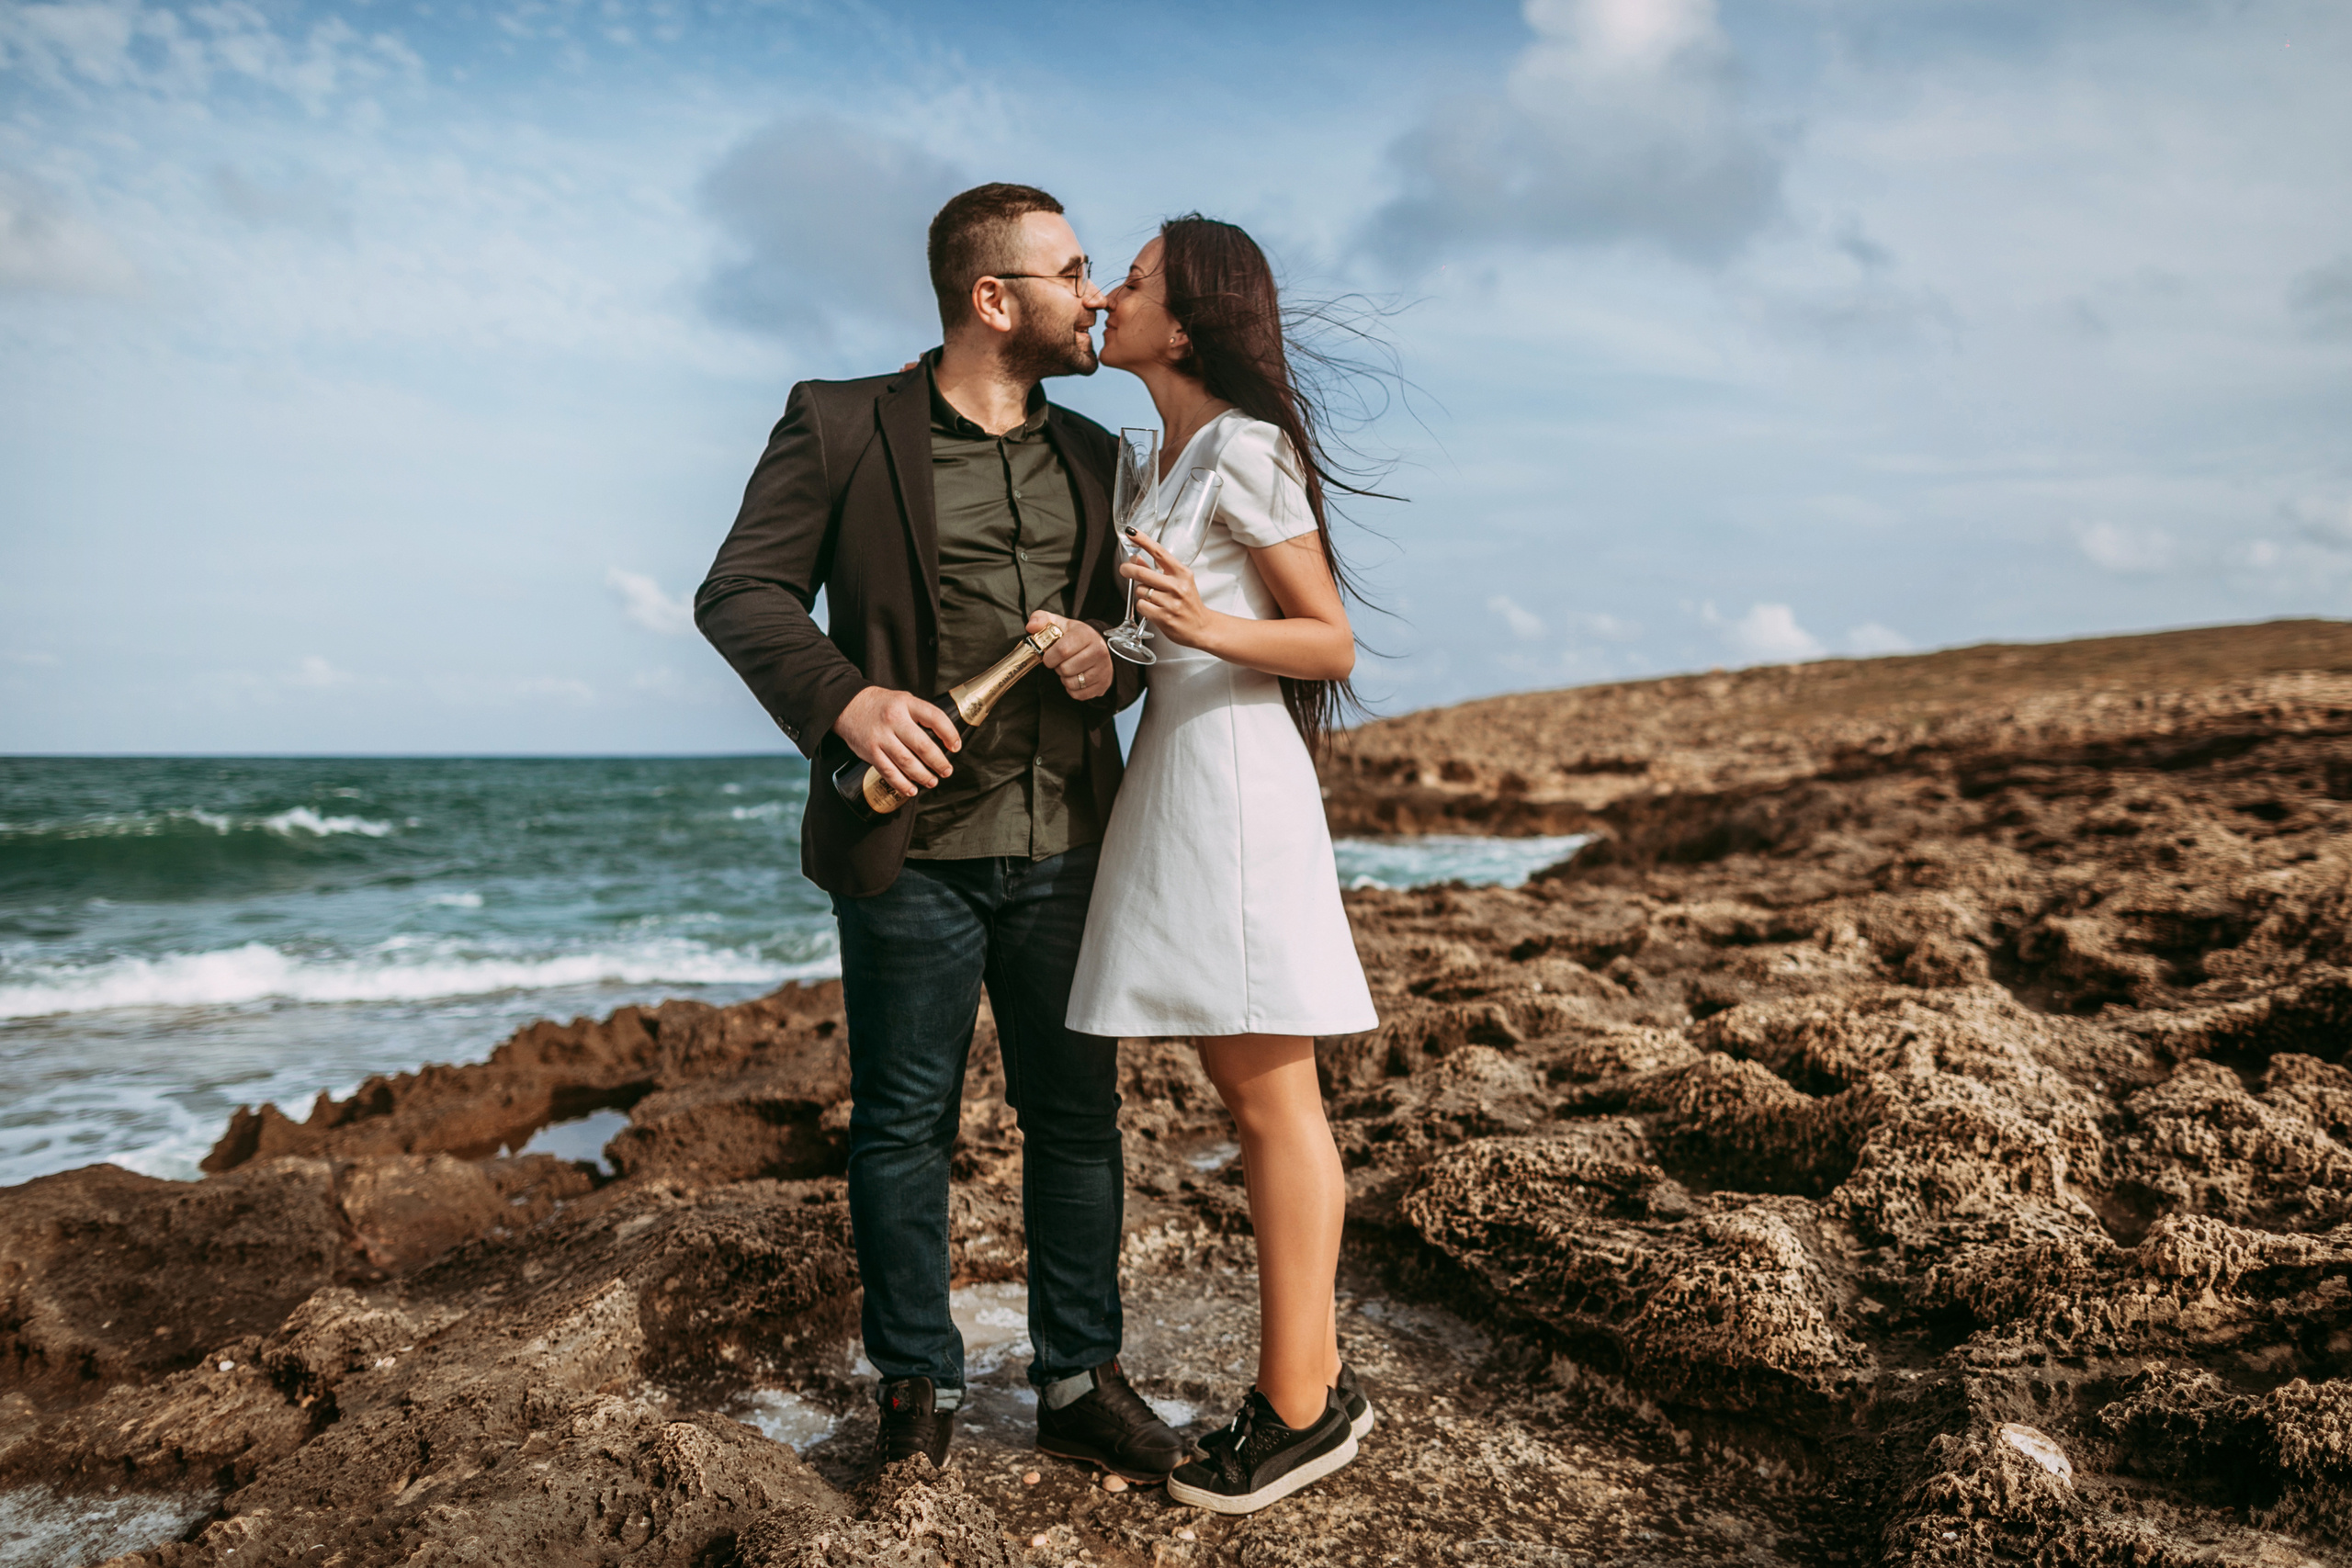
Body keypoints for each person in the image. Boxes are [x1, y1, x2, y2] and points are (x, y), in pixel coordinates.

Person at [695, 183, 1186, 1484]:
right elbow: (738, 592)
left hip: (1071, 842)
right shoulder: (841, 421)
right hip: (906, 855)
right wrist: (846, 702)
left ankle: (1081, 1377)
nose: (1094, 293)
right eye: (1072, 269)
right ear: (992, 297)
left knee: (1076, 1120)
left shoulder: (1098, 455)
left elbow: (1132, 648)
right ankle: (916, 1381)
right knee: (901, 1128)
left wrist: (1109, 666)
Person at [1064, 215, 1381, 1514]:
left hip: (1236, 791)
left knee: (1270, 1100)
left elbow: (1329, 643)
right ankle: (1316, 1384)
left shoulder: (1245, 450)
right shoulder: (1169, 461)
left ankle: (1300, 1413)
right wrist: (1108, 648)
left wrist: (1196, 630)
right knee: (1249, 1093)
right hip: (1181, 777)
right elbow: (1187, 634)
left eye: (1129, 281)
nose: (1106, 296)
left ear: (1184, 320)